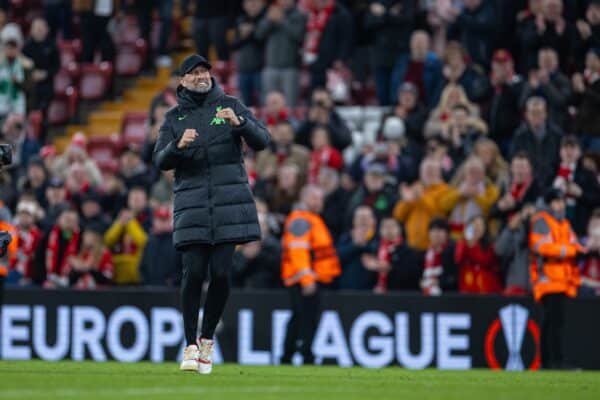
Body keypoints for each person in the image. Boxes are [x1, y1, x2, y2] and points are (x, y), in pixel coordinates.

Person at [153, 54, 270, 374]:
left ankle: (207, 339)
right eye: (194, 73)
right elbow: (159, 160)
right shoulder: (174, 118)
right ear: (182, 81)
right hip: (192, 205)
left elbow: (263, 140)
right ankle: (190, 345)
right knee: (193, 272)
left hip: (228, 204)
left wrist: (240, 123)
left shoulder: (230, 105)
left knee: (220, 272)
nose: (202, 76)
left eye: (205, 71)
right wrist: (177, 146)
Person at [280, 185, 341, 364]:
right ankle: (301, 355)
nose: (320, 202)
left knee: (302, 318)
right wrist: (307, 280)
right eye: (316, 198)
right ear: (305, 198)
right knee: (304, 319)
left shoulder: (311, 219)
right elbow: (298, 252)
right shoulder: (301, 220)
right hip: (302, 280)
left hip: (308, 278)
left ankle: (294, 354)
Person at [529, 188, 584, 369]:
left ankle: (553, 361)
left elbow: (577, 247)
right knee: (551, 323)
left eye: (562, 201)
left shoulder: (564, 224)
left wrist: (566, 250)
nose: (561, 205)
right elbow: (541, 247)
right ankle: (550, 361)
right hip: (547, 279)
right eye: (557, 202)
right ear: (550, 203)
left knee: (556, 323)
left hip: (562, 281)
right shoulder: (542, 221)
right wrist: (565, 250)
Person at [255, 0, 306, 106]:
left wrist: (282, 21)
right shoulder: (271, 14)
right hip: (271, 66)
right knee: (269, 103)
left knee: (290, 105)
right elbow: (259, 35)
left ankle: (290, 123)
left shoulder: (300, 15)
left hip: (290, 68)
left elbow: (299, 36)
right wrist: (268, 20)